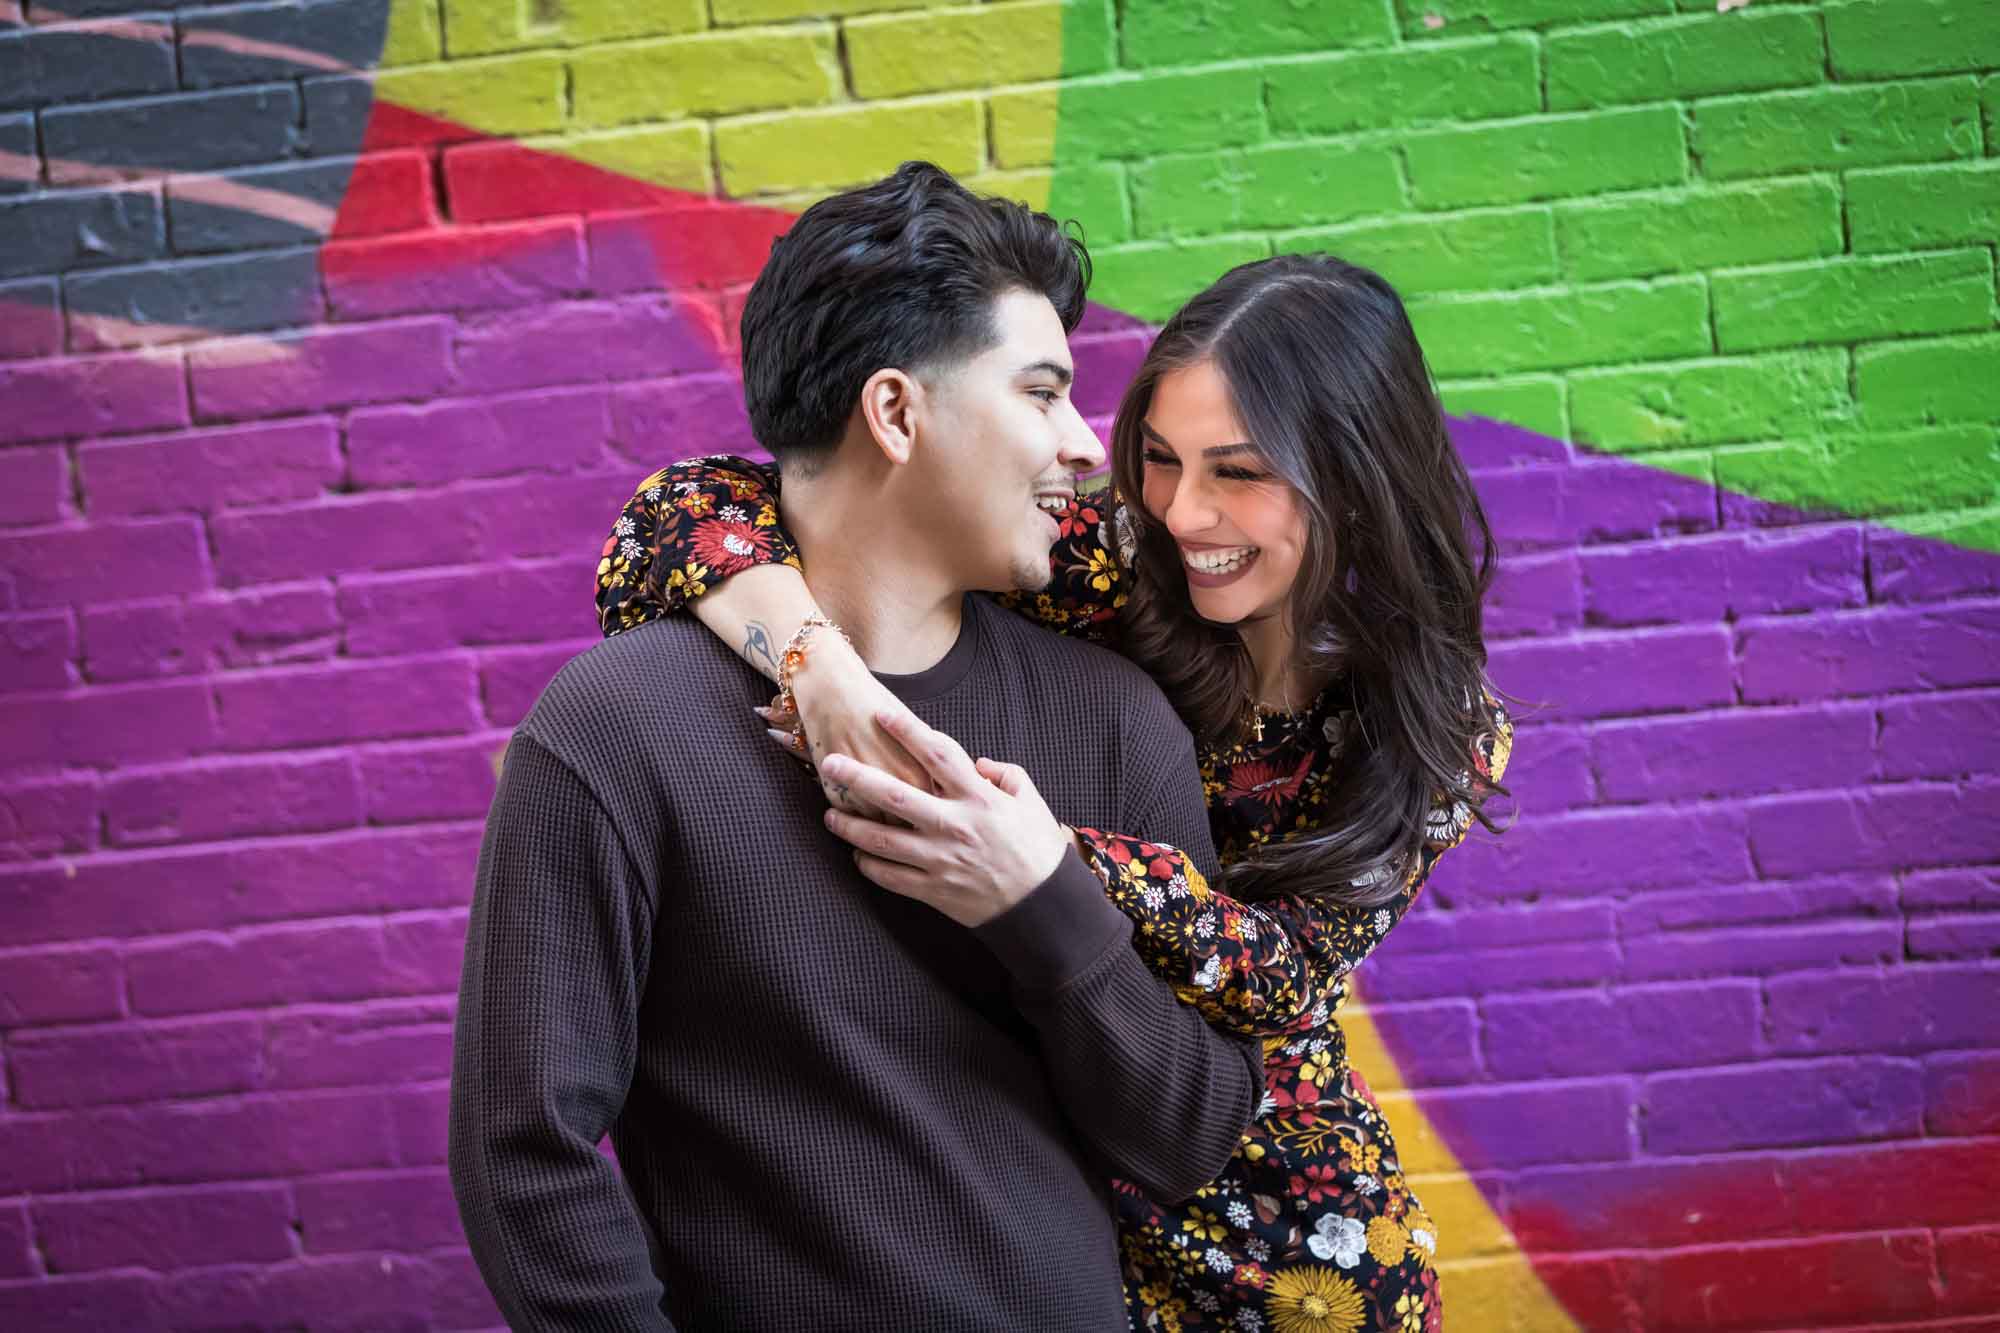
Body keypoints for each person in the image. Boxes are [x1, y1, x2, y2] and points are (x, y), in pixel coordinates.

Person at [595, 251, 1515, 1333]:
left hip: (1281, 1227)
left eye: (1239, 471)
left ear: (1353, 475)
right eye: (1161, 460)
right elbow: (677, 513)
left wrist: (1039, 856)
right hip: (1037, 1189)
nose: (1182, 511)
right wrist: (823, 670)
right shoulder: (1114, 566)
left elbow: (1276, 978)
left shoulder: (1435, 728)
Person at [449, 162, 1267, 1332]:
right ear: (895, 412)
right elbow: (522, 1148)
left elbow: (1189, 1135)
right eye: (1040, 392)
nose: (1084, 446)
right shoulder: (617, 732)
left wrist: (1044, 905)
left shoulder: (1113, 718)